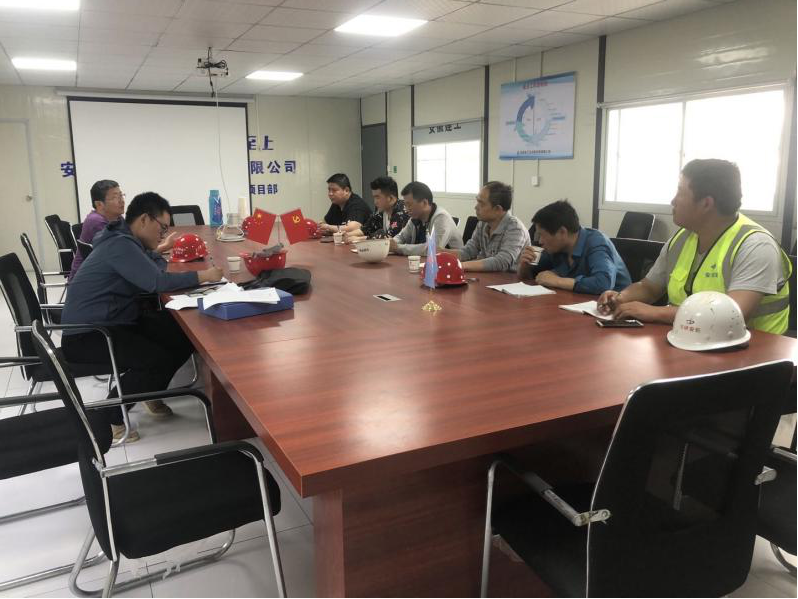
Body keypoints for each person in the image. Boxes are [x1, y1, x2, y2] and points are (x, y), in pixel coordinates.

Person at [61, 192, 223, 441]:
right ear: (145, 219)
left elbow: (155, 267)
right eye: (163, 227)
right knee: (156, 359)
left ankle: (148, 390)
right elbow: (156, 281)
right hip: (89, 334)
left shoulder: (127, 240)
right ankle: (109, 419)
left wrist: (155, 251)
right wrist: (205, 276)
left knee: (181, 332)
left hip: (115, 319)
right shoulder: (120, 244)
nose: (164, 234)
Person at [598, 159, 791, 333]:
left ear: (706, 203)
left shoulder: (756, 246)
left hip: (753, 350)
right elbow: (649, 287)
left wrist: (655, 313)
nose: (673, 201)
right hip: (688, 337)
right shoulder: (682, 239)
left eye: (680, 192)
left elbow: (733, 316)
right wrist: (621, 298)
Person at [69, 180, 178, 280]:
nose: (121, 200)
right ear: (99, 204)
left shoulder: (118, 218)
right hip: (88, 282)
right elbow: (131, 256)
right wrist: (164, 246)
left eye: (121, 195)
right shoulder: (97, 222)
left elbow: (134, 250)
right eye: (115, 197)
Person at [519, 199, 631, 294]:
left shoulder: (596, 243)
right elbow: (536, 278)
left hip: (614, 307)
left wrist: (558, 281)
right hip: (575, 302)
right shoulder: (556, 248)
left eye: (542, 235)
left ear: (562, 232)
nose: (540, 241)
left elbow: (604, 283)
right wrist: (525, 266)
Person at [450, 181, 529, 272]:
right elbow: (468, 251)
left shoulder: (516, 228)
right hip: (487, 276)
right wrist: (440, 254)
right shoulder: (483, 223)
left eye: (481, 203)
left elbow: (502, 262)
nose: (476, 207)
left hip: (508, 279)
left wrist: (461, 265)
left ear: (497, 209)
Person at [389, 181, 464, 256]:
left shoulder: (441, 217)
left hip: (451, 261)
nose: (406, 209)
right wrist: (389, 244)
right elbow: (402, 237)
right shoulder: (415, 218)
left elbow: (433, 249)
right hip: (424, 260)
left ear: (424, 203)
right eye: (405, 205)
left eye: (409, 204)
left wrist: (398, 248)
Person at [344, 176, 409, 242]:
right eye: (374, 197)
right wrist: (346, 235)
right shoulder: (382, 211)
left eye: (377, 197)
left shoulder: (402, 211)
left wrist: (360, 239)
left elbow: (389, 238)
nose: (375, 202)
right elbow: (365, 229)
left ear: (390, 198)